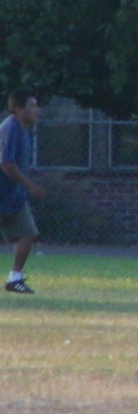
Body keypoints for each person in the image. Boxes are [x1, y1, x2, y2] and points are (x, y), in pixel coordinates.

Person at [1, 91, 44, 295]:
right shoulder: (10, 128)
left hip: (14, 197)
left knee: (28, 234)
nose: (37, 110)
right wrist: (30, 185)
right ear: (18, 108)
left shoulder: (24, 130)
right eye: (32, 105)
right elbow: (6, 164)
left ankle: (15, 279)